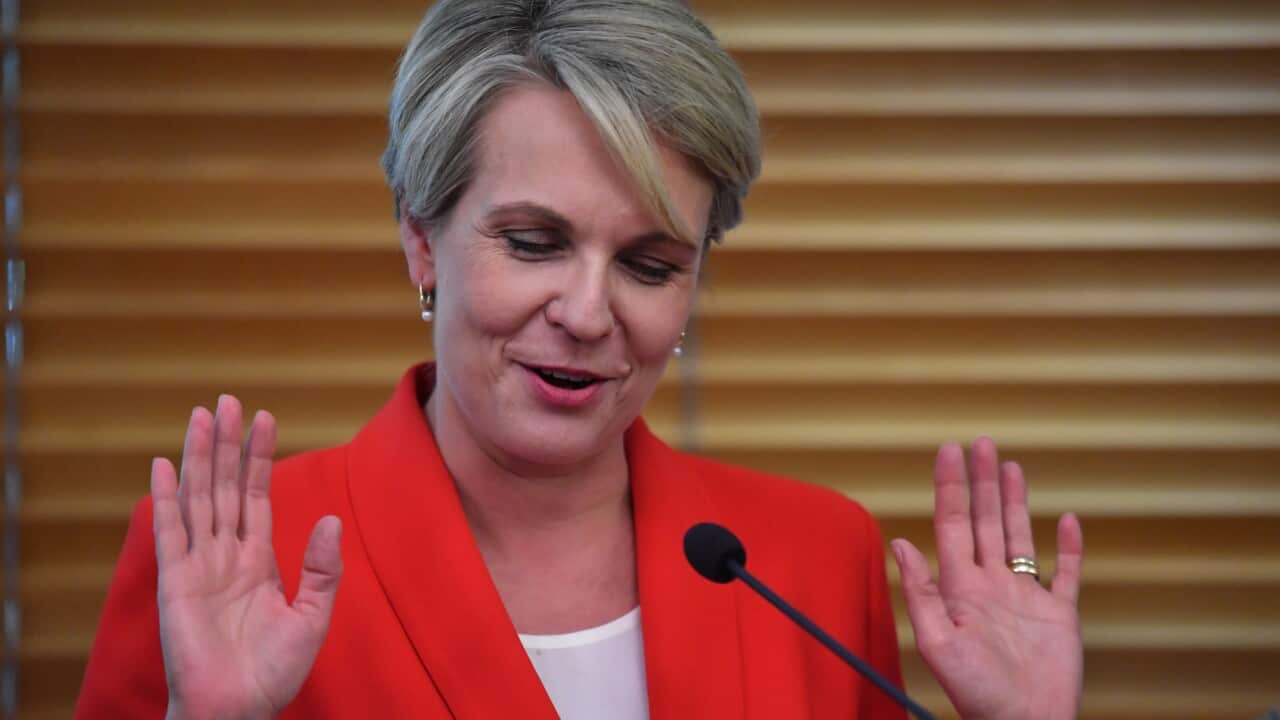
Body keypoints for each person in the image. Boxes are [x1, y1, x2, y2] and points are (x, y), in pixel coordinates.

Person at [75, 1, 1085, 718]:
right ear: (421, 241)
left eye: (648, 264)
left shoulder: (810, 559)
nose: (588, 311)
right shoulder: (230, 562)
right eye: (533, 243)